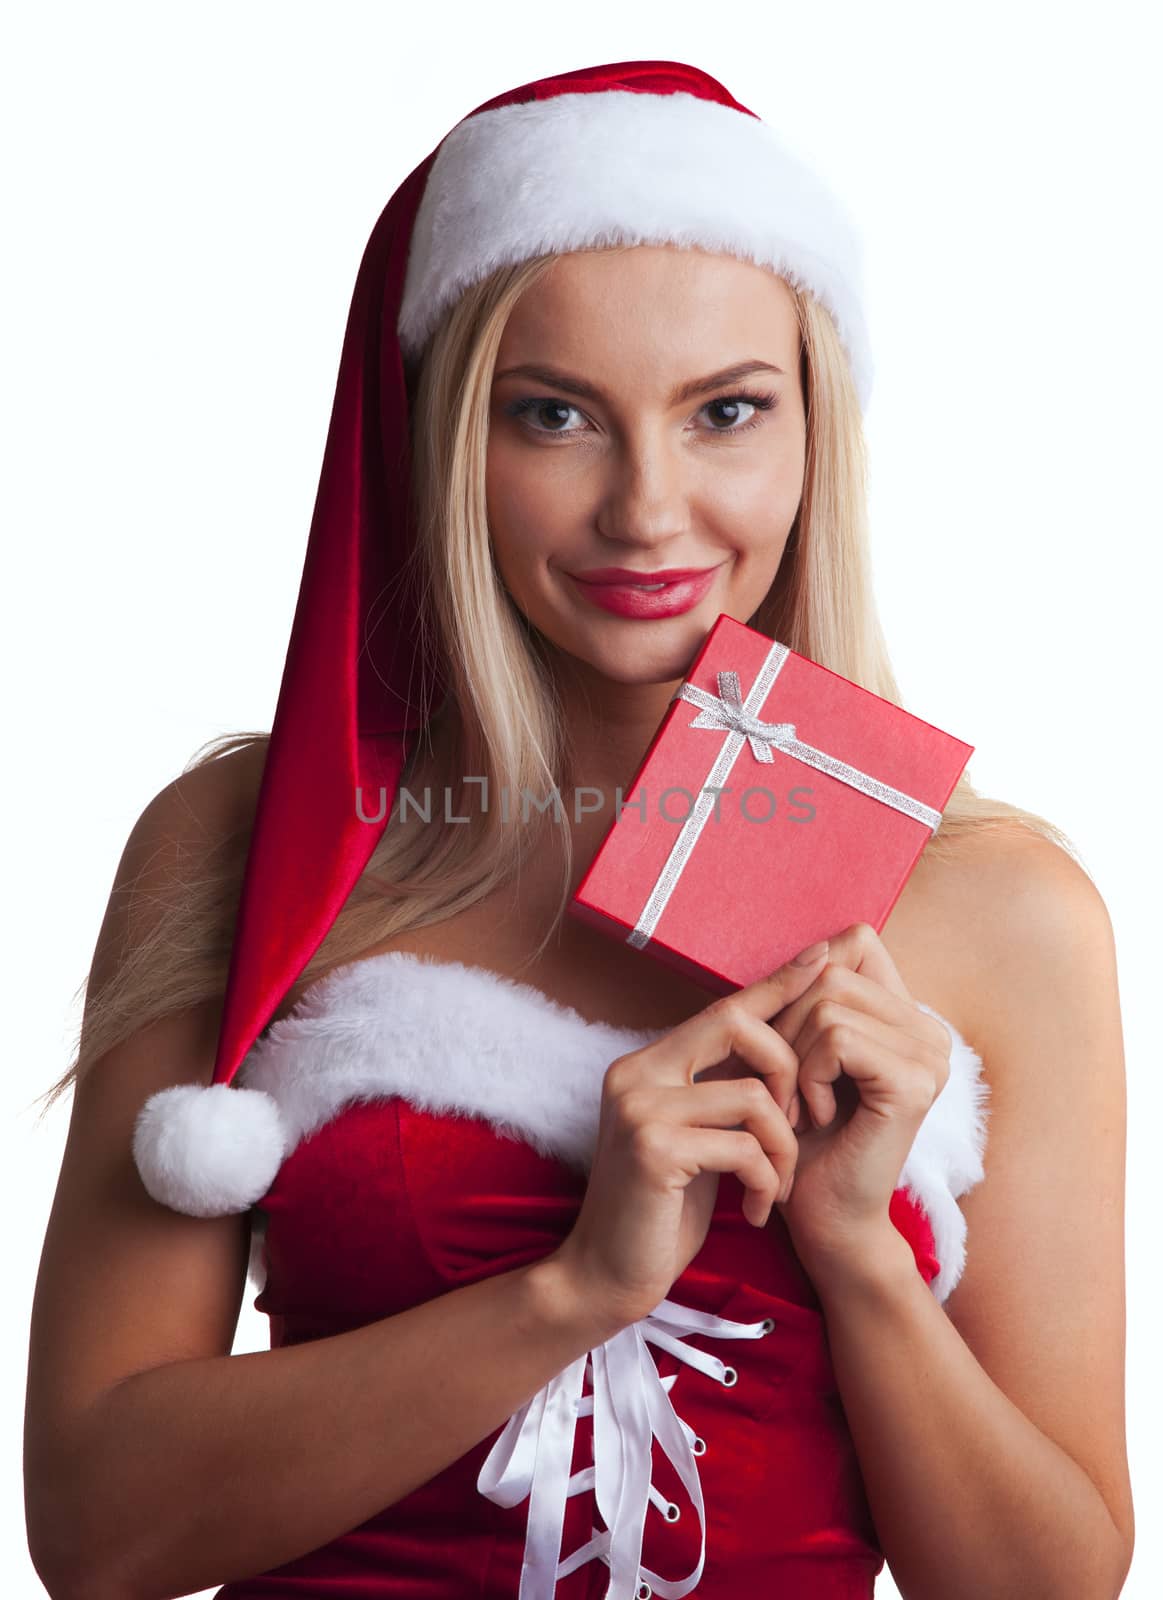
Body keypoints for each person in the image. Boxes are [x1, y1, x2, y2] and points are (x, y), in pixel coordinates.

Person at [24, 58, 1133, 1600]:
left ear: (816, 437)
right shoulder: (245, 840)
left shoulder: (1002, 909)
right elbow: (97, 1530)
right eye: (555, 418)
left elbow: (1047, 1585)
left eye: (725, 412)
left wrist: (857, 1244)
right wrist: (577, 1288)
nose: (648, 510)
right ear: (440, 435)